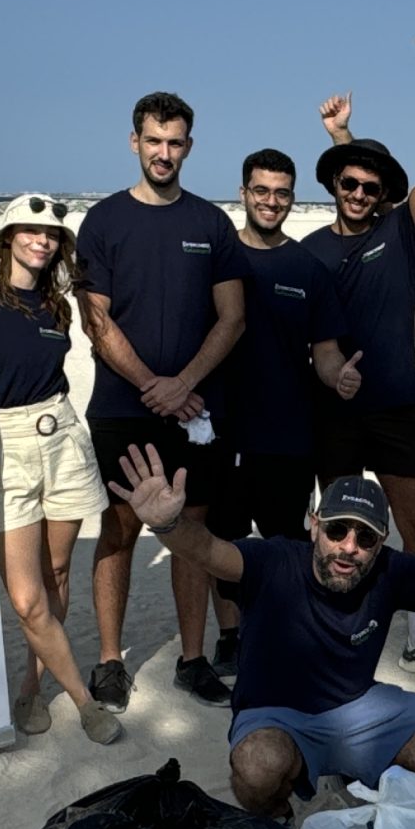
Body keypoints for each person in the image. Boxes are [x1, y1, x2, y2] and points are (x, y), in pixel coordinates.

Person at [103, 450, 415, 817]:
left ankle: (347, 772)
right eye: (337, 530)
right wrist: (168, 525)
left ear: (381, 544)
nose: (349, 548)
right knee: (256, 769)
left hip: (358, 709)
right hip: (276, 715)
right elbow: (208, 551)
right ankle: (283, 820)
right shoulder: (274, 561)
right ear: (315, 526)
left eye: (366, 537)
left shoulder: (389, 571)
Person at [75, 91, 250, 712]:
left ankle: (193, 658)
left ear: (189, 147)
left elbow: (232, 318)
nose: (164, 153)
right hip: (123, 408)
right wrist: (154, 382)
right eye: (154, 141)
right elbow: (95, 321)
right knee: (119, 529)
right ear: (134, 142)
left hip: (198, 409)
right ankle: (109, 661)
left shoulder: (210, 223)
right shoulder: (103, 222)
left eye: (175, 143)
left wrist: (184, 384)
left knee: (190, 531)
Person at [309, 35, 415, 681]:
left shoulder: (401, 231)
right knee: (339, 531)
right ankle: (339, 625)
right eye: (349, 181)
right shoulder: (312, 251)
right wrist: (332, 374)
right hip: (337, 412)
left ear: (382, 195)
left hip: (401, 406)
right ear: (336, 184)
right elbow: (317, 343)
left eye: (371, 186)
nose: (359, 191)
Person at [0, 192, 123, 746]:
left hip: (61, 435)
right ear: (6, 238)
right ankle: (84, 703)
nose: (41, 240)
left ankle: (31, 685)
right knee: (28, 597)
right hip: (2, 442)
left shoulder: (56, 304)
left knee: (57, 575)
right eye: (30, 231)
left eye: (52, 234)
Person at [211, 147, 353, 674]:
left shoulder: (308, 269)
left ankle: (279, 632)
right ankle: (229, 636)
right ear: (244, 193)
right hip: (223, 431)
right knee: (223, 543)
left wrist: (340, 374)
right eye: (262, 191)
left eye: (282, 193)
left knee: (287, 546)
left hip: (288, 432)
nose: (272, 201)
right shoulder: (220, 259)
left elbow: (326, 350)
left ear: (293, 198)